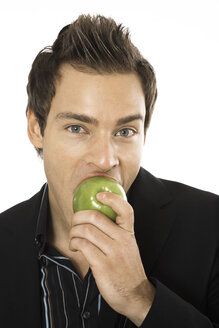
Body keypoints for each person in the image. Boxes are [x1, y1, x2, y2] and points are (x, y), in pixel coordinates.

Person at [0, 14, 218, 328]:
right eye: (78, 128)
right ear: (36, 128)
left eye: (125, 131)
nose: (105, 160)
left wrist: (141, 298)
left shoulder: (211, 227)